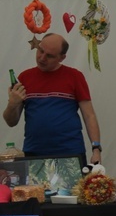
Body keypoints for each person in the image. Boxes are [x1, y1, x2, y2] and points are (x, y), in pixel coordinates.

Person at [3, 33, 102, 164]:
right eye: (40, 50)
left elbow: (89, 116)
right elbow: (11, 122)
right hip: (34, 154)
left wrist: (96, 149)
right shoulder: (25, 78)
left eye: (49, 56)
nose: (42, 58)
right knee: (35, 186)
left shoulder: (74, 76)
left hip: (70, 154)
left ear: (62, 58)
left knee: (75, 186)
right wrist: (12, 104)